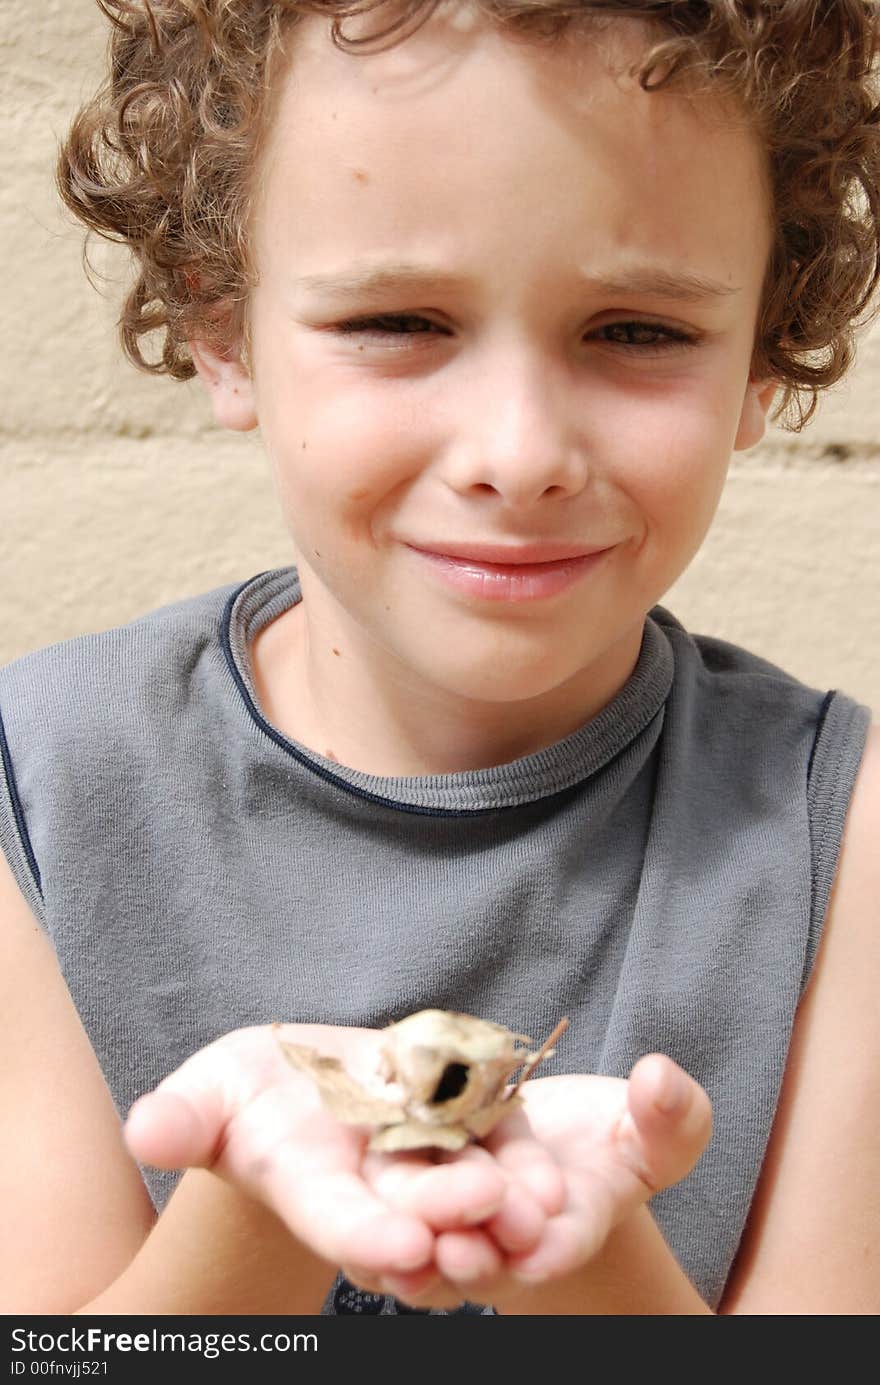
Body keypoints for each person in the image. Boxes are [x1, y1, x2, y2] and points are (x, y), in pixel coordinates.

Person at [1, 0, 878, 1317]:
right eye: (402, 320)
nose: (517, 451)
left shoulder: (849, 841)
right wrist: (250, 1203)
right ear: (222, 321)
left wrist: (583, 1255)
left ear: (765, 350)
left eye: (638, 331)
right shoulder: (40, 795)